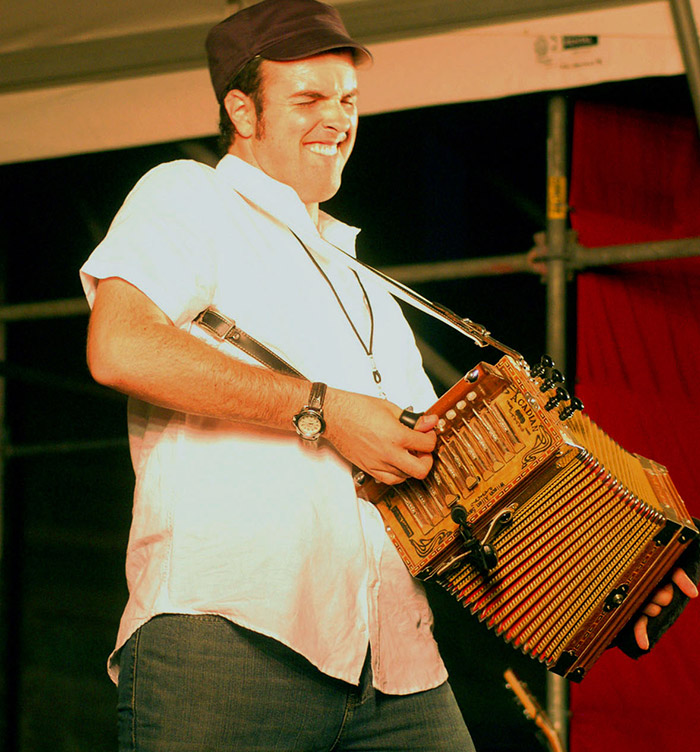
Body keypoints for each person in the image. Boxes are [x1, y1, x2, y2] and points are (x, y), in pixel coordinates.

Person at [80, 2, 696, 751]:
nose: (337, 118)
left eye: (348, 100)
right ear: (241, 109)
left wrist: (603, 587)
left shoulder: (366, 282)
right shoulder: (188, 196)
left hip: (397, 665)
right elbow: (120, 348)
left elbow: (441, 487)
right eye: (308, 99)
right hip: (229, 639)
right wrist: (323, 411)